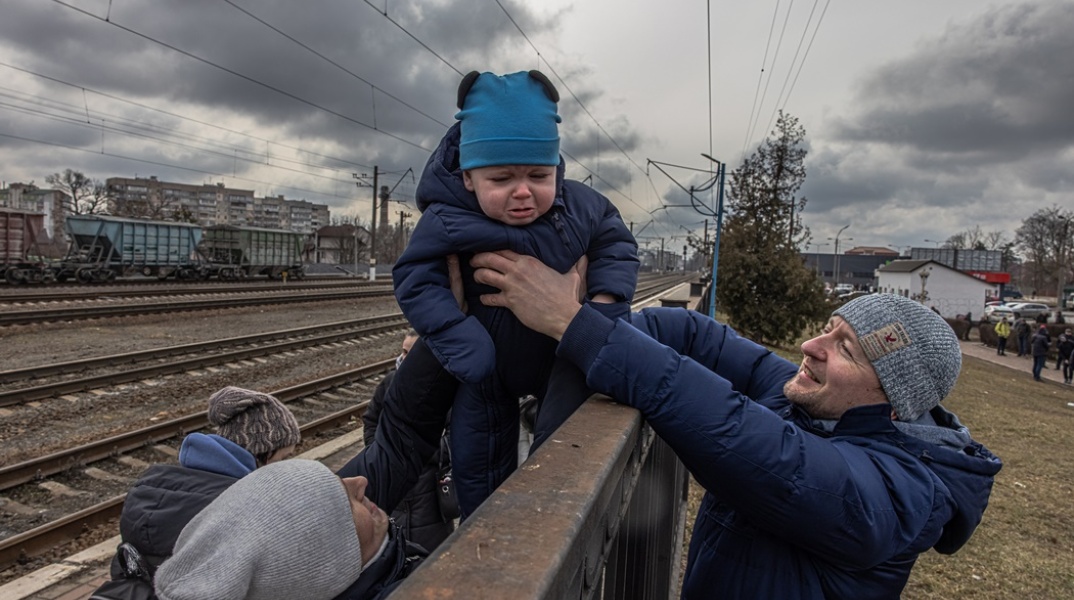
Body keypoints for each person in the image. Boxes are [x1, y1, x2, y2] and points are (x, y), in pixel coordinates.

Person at [467, 250, 1001, 599]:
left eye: (845, 350)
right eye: (826, 329)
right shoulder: (816, 404)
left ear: (891, 400)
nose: (809, 347)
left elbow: (745, 438)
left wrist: (575, 324)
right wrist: (565, 329)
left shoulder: (894, 494)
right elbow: (699, 336)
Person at [392, 70, 638, 516]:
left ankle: (552, 515)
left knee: (567, 443)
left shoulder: (582, 205)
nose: (523, 192)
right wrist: (460, 340)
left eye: (539, 175)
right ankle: (483, 527)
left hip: (563, 355)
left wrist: (604, 305)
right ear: (469, 178)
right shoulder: (447, 220)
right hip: (486, 369)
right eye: (502, 179)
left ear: (556, 168)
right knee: (477, 458)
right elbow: (416, 279)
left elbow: (616, 243)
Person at [152, 336, 460, 600]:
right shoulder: (270, 520)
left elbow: (396, 444)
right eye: (285, 459)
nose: (357, 483)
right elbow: (394, 448)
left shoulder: (220, 526)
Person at [92, 386, 302, 599]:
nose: (284, 466)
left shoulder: (151, 485)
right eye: (283, 458)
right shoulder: (242, 506)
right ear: (263, 453)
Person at [362, 329, 454, 551]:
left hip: (429, 491)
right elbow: (371, 421)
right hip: (394, 489)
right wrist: (382, 452)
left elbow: (454, 438)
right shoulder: (389, 384)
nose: (404, 359)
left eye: (410, 354)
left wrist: (419, 454)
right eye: (403, 352)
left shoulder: (445, 388)